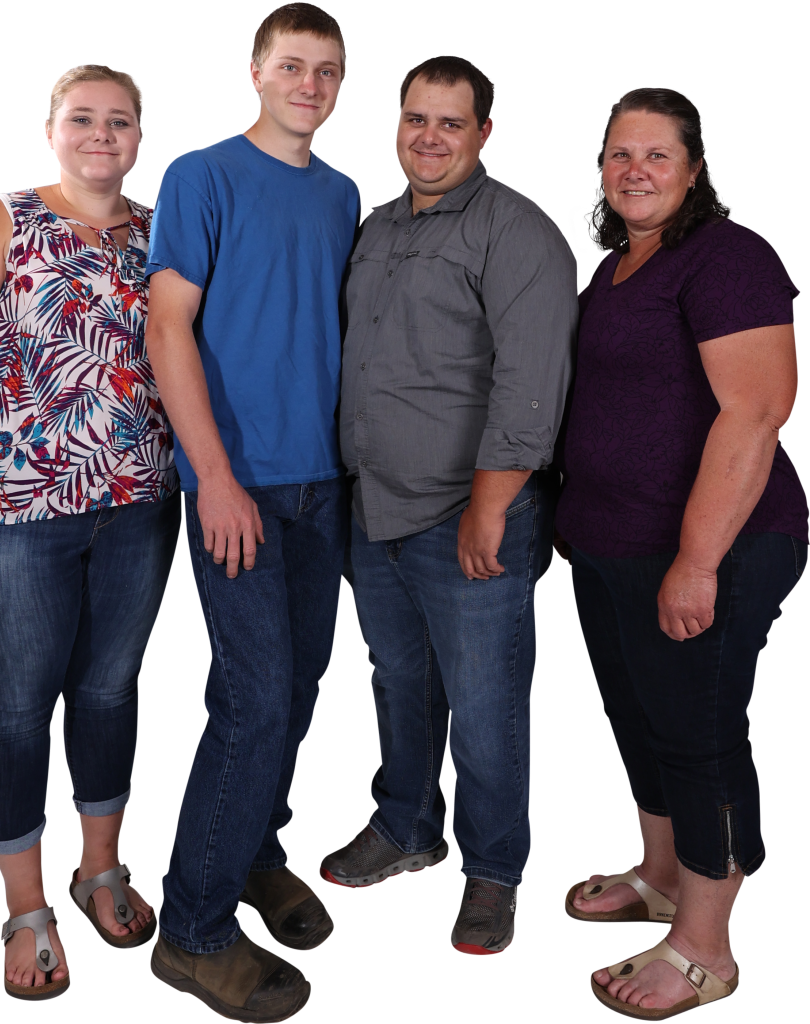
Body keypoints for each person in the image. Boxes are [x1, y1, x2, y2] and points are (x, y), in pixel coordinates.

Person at [0, 64, 179, 1000]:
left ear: (141, 136)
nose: (101, 135)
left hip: (140, 507)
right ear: (51, 130)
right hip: (17, 516)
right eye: (83, 119)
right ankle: (26, 904)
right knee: (15, 707)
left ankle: (98, 868)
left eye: (120, 121)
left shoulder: (161, 231)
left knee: (110, 690)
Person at [555, 87, 806, 1018]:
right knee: (637, 716)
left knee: (699, 737)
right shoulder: (622, 262)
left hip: (713, 548)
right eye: (621, 154)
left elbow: (757, 409)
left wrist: (696, 562)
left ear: (696, 168)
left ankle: (705, 946)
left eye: (658, 155)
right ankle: (662, 878)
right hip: (613, 543)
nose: (636, 171)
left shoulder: (728, 257)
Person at [319, 54, 577, 956]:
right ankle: (408, 828)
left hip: (470, 515)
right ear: (396, 126)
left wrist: (491, 507)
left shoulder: (519, 230)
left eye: (451, 124)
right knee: (397, 685)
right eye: (415, 121)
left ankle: (494, 869)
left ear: (485, 134)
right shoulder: (377, 224)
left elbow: (531, 383)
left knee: (486, 703)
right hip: (375, 510)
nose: (429, 138)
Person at [142, 5, 360, 1020]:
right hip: (238, 482)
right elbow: (168, 325)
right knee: (253, 700)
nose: (307, 84)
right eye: (291, 66)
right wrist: (214, 474)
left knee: (304, 687)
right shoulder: (202, 173)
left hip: (325, 483)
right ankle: (192, 930)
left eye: (326, 71)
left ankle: (260, 852)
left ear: (341, 83)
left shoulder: (347, 193)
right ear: (254, 72)